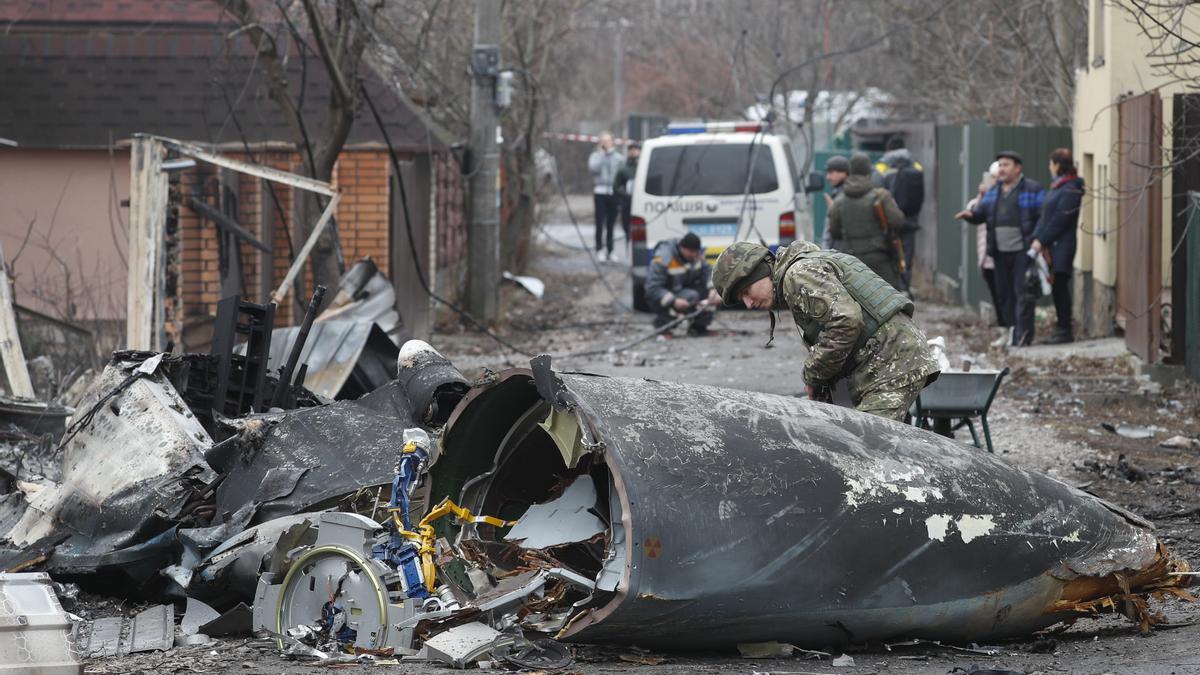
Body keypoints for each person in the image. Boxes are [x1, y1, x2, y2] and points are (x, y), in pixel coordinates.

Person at [711, 240, 940, 422]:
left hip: (892, 362)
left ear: (759, 272)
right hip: (886, 360)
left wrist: (813, 374)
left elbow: (846, 321)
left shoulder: (797, 274)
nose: (749, 304)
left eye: (746, 292)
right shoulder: (805, 267)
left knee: (872, 453)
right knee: (873, 445)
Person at [954, 151, 1044, 346]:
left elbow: (1042, 217)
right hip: (999, 252)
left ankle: (1022, 337)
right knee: (1004, 294)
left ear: (1018, 168)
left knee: (1023, 293)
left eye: (1006, 165)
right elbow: (981, 214)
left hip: (1023, 251)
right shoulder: (994, 192)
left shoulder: (1032, 189)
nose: (1002, 169)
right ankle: (1010, 333)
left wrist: (1038, 240)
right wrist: (970, 215)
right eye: (1000, 165)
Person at [827, 153, 907, 291]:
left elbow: (834, 231)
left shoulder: (839, 200)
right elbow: (897, 221)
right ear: (869, 173)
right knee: (888, 299)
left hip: (849, 260)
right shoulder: (881, 196)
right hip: (879, 258)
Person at [1029, 148, 1083, 344]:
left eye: (1051, 163)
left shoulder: (1070, 188)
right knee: (1056, 287)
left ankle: (1064, 329)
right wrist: (1037, 237)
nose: (1049, 167)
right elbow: (1045, 216)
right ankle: (1061, 327)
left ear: (1058, 165)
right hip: (1052, 245)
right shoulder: (1058, 186)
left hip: (1062, 245)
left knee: (1061, 287)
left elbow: (1060, 219)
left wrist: (1042, 240)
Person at [644, 232, 720, 336]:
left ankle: (698, 328)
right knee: (689, 297)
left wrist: (713, 289)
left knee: (713, 295)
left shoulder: (695, 255)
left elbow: (708, 271)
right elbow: (652, 288)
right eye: (690, 252)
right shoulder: (664, 258)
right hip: (666, 294)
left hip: (685, 291)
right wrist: (673, 301)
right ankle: (663, 327)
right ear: (681, 248)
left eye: (695, 251)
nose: (693, 255)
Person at [875, 137, 925, 288]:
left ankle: (891, 289)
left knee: (889, 255)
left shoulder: (881, 167)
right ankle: (905, 287)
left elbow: (876, 192)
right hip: (911, 219)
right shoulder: (916, 166)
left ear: (888, 150)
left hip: (888, 221)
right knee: (906, 256)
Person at [972, 163, 1006, 329]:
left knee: (1004, 295)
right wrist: (981, 195)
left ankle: (1008, 328)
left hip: (1000, 253)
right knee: (996, 294)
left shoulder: (1003, 196)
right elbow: (973, 211)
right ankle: (1003, 328)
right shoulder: (987, 198)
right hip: (986, 255)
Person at [588, 133, 624, 262]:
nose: (605, 144)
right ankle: (599, 249)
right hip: (600, 191)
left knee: (611, 223)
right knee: (599, 222)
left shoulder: (618, 158)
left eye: (607, 141)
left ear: (612, 142)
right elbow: (593, 169)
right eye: (603, 141)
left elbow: (621, 174)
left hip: (613, 193)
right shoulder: (596, 156)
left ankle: (611, 249)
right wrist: (603, 155)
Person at [613, 142, 641, 249]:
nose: (634, 152)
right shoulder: (623, 169)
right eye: (632, 150)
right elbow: (616, 187)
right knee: (628, 232)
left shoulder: (645, 167)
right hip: (627, 205)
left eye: (637, 150)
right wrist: (626, 196)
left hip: (641, 204)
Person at [820, 155, 850, 250]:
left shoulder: (848, 194)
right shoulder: (838, 192)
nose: (828, 177)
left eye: (832, 172)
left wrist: (833, 209)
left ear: (844, 173)